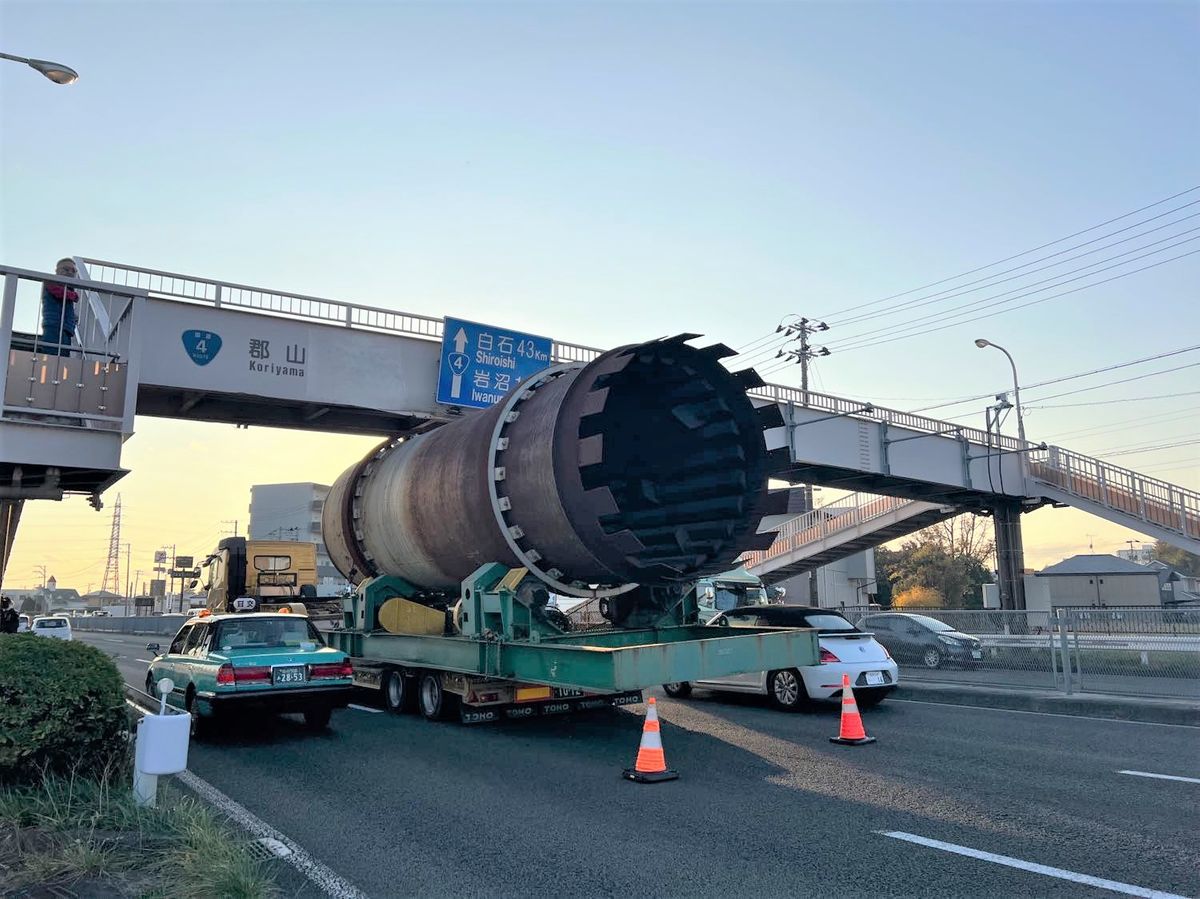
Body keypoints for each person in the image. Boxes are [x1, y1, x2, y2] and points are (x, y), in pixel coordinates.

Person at [41, 258, 80, 356]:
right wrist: (74, 295)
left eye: (74, 271)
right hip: (53, 325)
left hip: (67, 329)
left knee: (63, 356)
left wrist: (73, 318)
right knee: (52, 354)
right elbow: (59, 293)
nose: (70, 272)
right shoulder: (50, 281)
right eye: (66, 269)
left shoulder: (69, 288)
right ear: (57, 271)